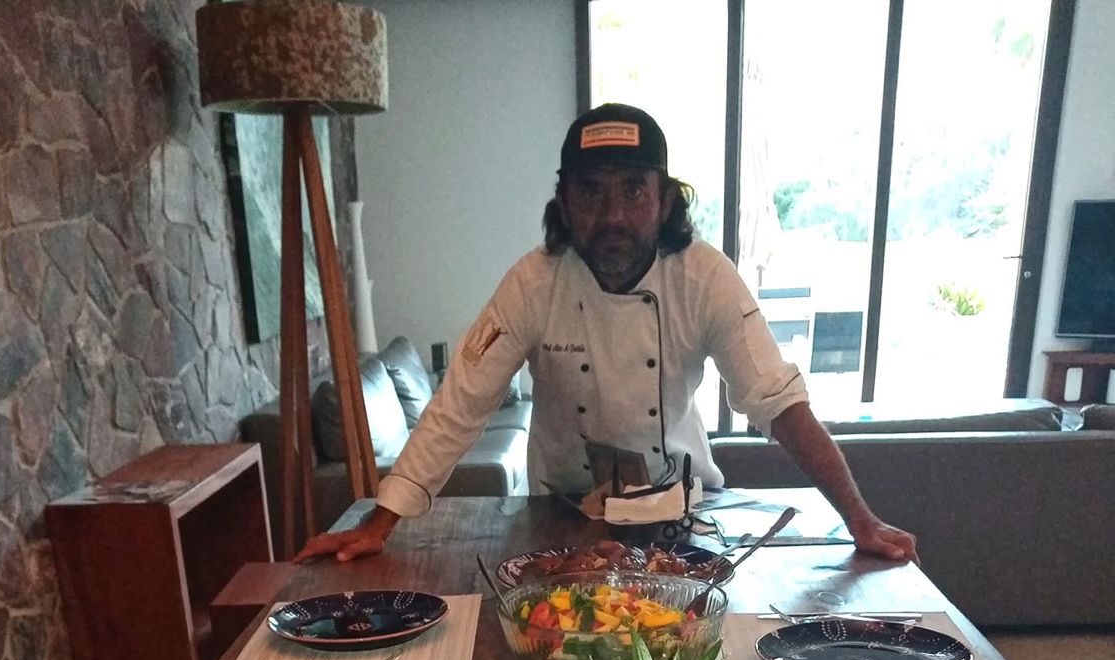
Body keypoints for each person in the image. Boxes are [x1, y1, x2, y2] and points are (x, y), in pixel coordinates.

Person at [297, 103, 917, 565]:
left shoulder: (705, 276)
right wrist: (383, 519)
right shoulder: (533, 282)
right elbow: (462, 401)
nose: (614, 215)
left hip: (684, 511)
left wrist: (858, 519)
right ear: (564, 202)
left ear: (666, 201)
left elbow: (778, 401)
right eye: (592, 192)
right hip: (561, 513)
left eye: (633, 191)